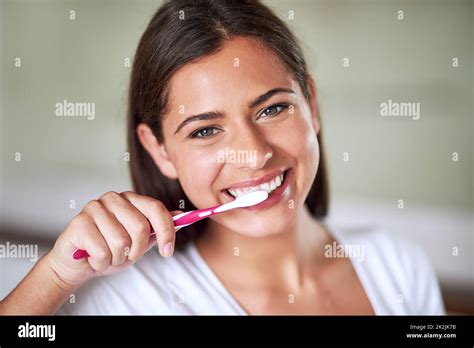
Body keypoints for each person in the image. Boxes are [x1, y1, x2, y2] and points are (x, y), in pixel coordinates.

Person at [0, 0, 444, 315]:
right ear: (159, 150)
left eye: (273, 109)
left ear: (312, 101)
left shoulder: (398, 266)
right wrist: (55, 278)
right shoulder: (129, 300)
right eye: (205, 130)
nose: (253, 155)